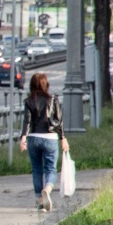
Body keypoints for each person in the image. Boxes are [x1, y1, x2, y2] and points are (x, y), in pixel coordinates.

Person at [17, 72, 69, 211]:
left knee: (36, 170)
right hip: (50, 138)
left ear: (32, 85)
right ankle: (47, 189)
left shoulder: (28, 101)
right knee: (50, 168)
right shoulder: (53, 99)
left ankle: (40, 200)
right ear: (46, 84)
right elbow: (60, 120)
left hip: (33, 138)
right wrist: (63, 138)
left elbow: (26, 121)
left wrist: (23, 138)